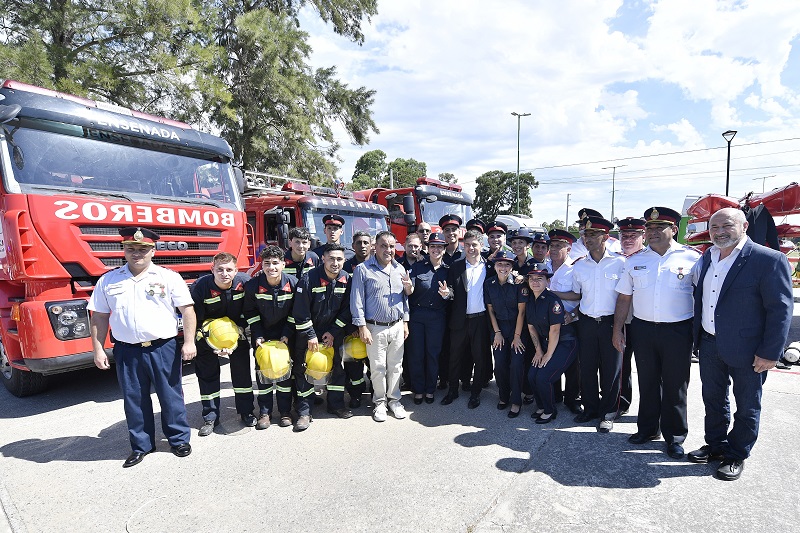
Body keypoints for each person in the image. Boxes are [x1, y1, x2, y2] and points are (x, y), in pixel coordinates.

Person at [688, 207, 792, 480]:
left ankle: (736, 454)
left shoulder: (768, 259)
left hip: (749, 350)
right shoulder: (708, 257)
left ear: (744, 226)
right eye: (714, 228)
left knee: (747, 405)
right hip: (709, 344)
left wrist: (770, 353)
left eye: (726, 226)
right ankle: (716, 445)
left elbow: (780, 310)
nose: (720, 232)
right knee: (713, 399)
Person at [88, 227, 196, 468]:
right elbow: (99, 317)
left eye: (142, 249)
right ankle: (141, 446)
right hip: (127, 350)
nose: (137, 253)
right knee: (134, 399)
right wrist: (97, 349)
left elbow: (187, 310)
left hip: (163, 347)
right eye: (131, 248)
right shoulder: (109, 280)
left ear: (153, 251)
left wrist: (189, 342)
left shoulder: (168, 277)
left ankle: (178, 440)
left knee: (171, 396)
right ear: (124, 250)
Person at [613, 207, 701, 459]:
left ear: (673, 230)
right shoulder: (635, 261)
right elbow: (624, 298)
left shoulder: (692, 258)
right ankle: (648, 429)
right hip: (643, 329)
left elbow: (704, 296)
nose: (651, 232)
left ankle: (675, 437)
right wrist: (618, 329)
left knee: (676, 384)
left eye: (657, 228)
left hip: (678, 330)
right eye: (648, 229)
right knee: (648, 381)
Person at [570, 216, 625, 433]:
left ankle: (608, 413)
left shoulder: (621, 263)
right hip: (586, 322)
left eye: (593, 234)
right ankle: (590, 408)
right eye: (585, 234)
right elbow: (576, 294)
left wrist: (619, 328)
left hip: (611, 322)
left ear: (605, 236)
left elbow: (626, 296)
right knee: (588, 367)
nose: (587, 238)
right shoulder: (579, 266)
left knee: (611, 370)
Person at [190, 252, 253, 436]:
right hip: (207, 336)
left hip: (237, 334)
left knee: (242, 375)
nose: (224, 273)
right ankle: (210, 417)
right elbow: (194, 317)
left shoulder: (245, 283)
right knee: (207, 376)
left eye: (229, 270)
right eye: (220, 269)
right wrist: (210, 343)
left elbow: (250, 309)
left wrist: (236, 335)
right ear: (212, 270)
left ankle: (246, 412)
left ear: (236, 271)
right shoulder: (201, 287)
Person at [351, 231, 411, 422]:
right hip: (374, 327)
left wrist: (405, 321)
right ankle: (379, 403)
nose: (388, 250)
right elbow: (357, 300)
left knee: (396, 367)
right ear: (374, 247)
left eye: (391, 246)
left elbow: (405, 298)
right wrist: (362, 326)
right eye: (384, 245)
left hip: (397, 326)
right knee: (377, 367)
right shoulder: (363, 269)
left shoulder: (400, 269)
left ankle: (394, 400)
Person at [292, 243, 353, 431]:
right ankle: (304, 411)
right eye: (331, 258)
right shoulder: (308, 279)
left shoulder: (346, 279)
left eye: (339, 259)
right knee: (305, 370)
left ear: (344, 261)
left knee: (336, 368)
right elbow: (300, 312)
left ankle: (336, 405)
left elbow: (346, 311)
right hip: (308, 332)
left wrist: (333, 332)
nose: (335, 263)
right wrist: (310, 335)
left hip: (332, 333)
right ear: (324, 259)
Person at [242, 245, 298, 430]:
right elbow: (250, 312)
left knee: (284, 376)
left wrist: (287, 334)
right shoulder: (252, 286)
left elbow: (295, 313)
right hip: (262, 337)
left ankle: (285, 412)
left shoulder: (294, 283)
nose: (271, 267)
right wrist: (257, 335)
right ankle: (264, 413)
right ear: (262, 265)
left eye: (275, 263)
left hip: (285, 336)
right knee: (264, 375)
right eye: (267, 263)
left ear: (283, 264)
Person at [441, 230, 489, 409]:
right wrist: (447, 294)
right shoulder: (456, 266)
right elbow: (451, 290)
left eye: (474, 245)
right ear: (463, 245)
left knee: (480, 358)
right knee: (455, 357)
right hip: (460, 320)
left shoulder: (489, 267)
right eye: (467, 245)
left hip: (481, 320)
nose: (470, 248)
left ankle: (475, 393)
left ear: (481, 246)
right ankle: (453, 390)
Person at [525, 264, 579, 424]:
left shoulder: (553, 301)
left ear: (548, 282)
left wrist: (547, 355)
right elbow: (531, 327)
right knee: (531, 375)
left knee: (543, 377)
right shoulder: (530, 300)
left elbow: (555, 331)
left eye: (540, 279)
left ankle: (550, 411)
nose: (535, 282)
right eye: (532, 279)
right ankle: (541, 406)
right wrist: (539, 351)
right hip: (547, 344)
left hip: (565, 343)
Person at [407, 232, 450, 404]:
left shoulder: (448, 270)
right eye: (433, 246)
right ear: (428, 248)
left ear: (444, 250)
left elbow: (454, 291)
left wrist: (448, 294)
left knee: (433, 354)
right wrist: (407, 286)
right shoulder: (418, 267)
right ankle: (418, 389)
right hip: (417, 316)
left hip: (437, 317)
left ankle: (430, 389)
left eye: (439, 246)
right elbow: (409, 290)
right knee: (416, 354)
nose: (436, 249)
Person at [484, 250, 526, 417]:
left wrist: (517, 336)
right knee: (500, 363)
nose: (503, 267)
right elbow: (490, 310)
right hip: (499, 328)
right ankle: (503, 396)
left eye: (507, 264)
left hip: (518, 328)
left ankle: (516, 400)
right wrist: (497, 333)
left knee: (516, 364)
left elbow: (522, 312)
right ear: (495, 265)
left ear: (512, 267)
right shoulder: (489, 284)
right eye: (500, 263)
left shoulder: (519, 284)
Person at [547, 229, 582, 415]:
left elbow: (579, 295)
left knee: (572, 364)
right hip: (548, 323)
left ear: (568, 249)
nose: (553, 249)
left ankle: (573, 398)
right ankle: (555, 395)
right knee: (552, 358)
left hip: (569, 320)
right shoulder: (545, 266)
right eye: (552, 245)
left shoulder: (574, 269)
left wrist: (552, 294)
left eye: (558, 246)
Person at [615, 217, 646, 416]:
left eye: (633, 236)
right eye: (624, 236)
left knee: (647, 369)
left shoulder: (649, 257)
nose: (627, 239)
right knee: (621, 366)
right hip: (621, 321)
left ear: (643, 236)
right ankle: (621, 403)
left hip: (644, 321)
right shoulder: (614, 260)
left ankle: (650, 410)